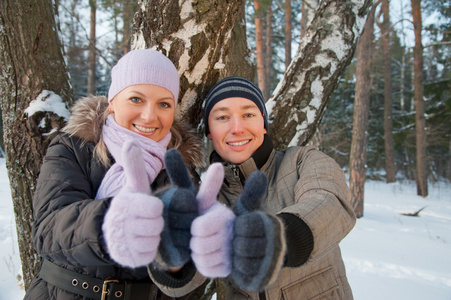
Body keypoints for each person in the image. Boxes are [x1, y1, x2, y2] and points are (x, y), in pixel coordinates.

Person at [24, 49, 214, 300]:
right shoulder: (74, 148)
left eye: (164, 104)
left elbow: (188, 279)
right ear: (112, 101)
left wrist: (178, 266)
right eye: (136, 99)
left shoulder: (180, 173)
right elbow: (49, 231)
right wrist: (120, 218)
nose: (149, 115)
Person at [189, 76, 357, 299]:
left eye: (248, 114)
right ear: (209, 130)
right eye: (222, 117)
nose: (237, 128)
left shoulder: (302, 161)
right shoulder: (208, 199)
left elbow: (331, 204)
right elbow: (178, 282)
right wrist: (173, 255)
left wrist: (273, 238)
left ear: (263, 124)